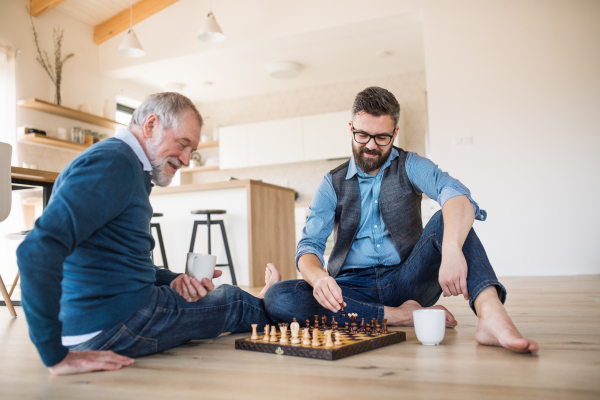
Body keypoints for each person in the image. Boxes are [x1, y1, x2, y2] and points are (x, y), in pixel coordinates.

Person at [17, 92, 280, 375]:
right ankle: (265, 302)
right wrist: (54, 356)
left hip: (100, 318)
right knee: (234, 301)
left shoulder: (124, 164)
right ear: (151, 125)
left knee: (217, 296)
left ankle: (263, 301)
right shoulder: (113, 164)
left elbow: (118, 258)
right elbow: (36, 251)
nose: (187, 160)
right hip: (113, 323)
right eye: (183, 144)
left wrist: (173, 279)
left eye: (192, 151)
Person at [264, 87, 538, 354]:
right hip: (351, 291)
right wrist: (319, 277)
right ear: (351, 128)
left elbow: (457, 196)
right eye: (362, 135)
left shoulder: (410, 164)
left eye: (381, 137)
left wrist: (452, 248)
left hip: (408, 279)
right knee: (279, 296)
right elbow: (308, 247)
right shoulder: (331, 183)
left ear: (395, 133)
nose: (370, 146)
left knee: (449, 216)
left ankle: (490, 313)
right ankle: (401, 316)